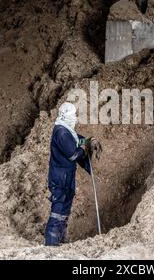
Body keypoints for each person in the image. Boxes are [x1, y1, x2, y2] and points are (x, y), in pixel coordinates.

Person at [44, 102, 101, 246]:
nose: (75, 118)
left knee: (65, 207)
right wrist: (84, 148)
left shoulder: (66, 129)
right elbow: (73, 154)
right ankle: (51, 244)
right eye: (74, 115)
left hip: (66, 175)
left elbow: (75, 140)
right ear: (67, 115)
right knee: (58, 207)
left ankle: (60, 239)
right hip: (60, 176)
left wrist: (89, 141)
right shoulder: (61, 132)